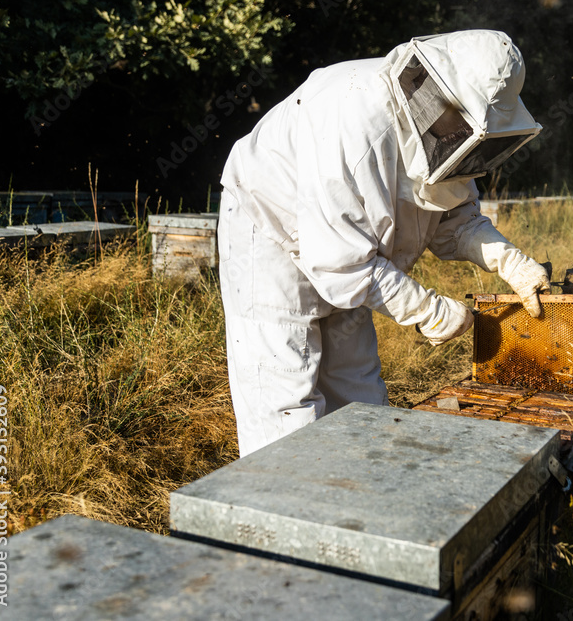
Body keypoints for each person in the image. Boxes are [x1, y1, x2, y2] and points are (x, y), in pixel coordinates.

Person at [217, 29, 551, 457]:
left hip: (354, 251)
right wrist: (428, 311)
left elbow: (453, 216)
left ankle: (358, 493)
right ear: (442, 93)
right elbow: (343, 266)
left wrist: (509, 261)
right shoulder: (351, 124)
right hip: (272, 233)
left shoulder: (445, 129)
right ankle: (285, 497)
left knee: (357, 396)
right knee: (286, 404)